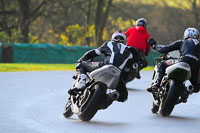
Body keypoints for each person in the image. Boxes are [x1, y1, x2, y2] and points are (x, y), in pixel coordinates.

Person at [70, 31, 138, 105]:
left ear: (113, 38)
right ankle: (111, 96)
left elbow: (94, 52)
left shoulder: (109, 44)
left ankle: (82, 83)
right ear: (125, 40)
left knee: (82, 65)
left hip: (105, 66)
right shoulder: (130, 51)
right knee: (123, 97)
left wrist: (82, 59)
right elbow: (129, 69)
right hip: (118, 73)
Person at [147, 27, 200, 94]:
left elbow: (164, 49)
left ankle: (156, 84)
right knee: (196, 88)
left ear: (186, 35)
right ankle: (187, 90)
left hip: (183, 60)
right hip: (196, 65)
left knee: (162, 64)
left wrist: (153, 45)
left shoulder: (182, 42)